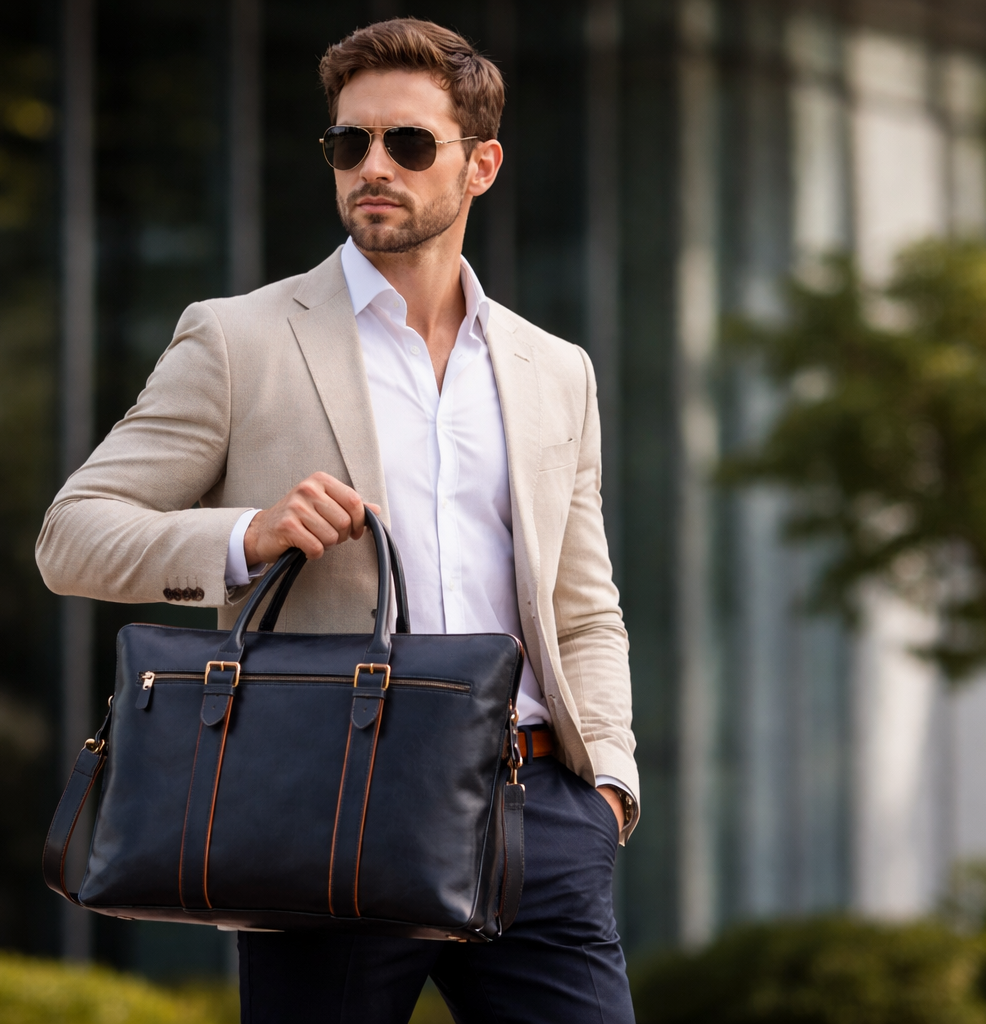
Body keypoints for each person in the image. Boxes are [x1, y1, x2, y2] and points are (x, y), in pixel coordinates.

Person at [36, 17, 637, 1023]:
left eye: (408, 144)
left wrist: (609, 782)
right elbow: (72, 532)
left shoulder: (552, 368)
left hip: (536, 817)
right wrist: (245, 535)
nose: (372, 166)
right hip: (329, 807)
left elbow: (583, 601)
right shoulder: (240, 338)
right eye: (348, 143)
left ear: (480, 165)